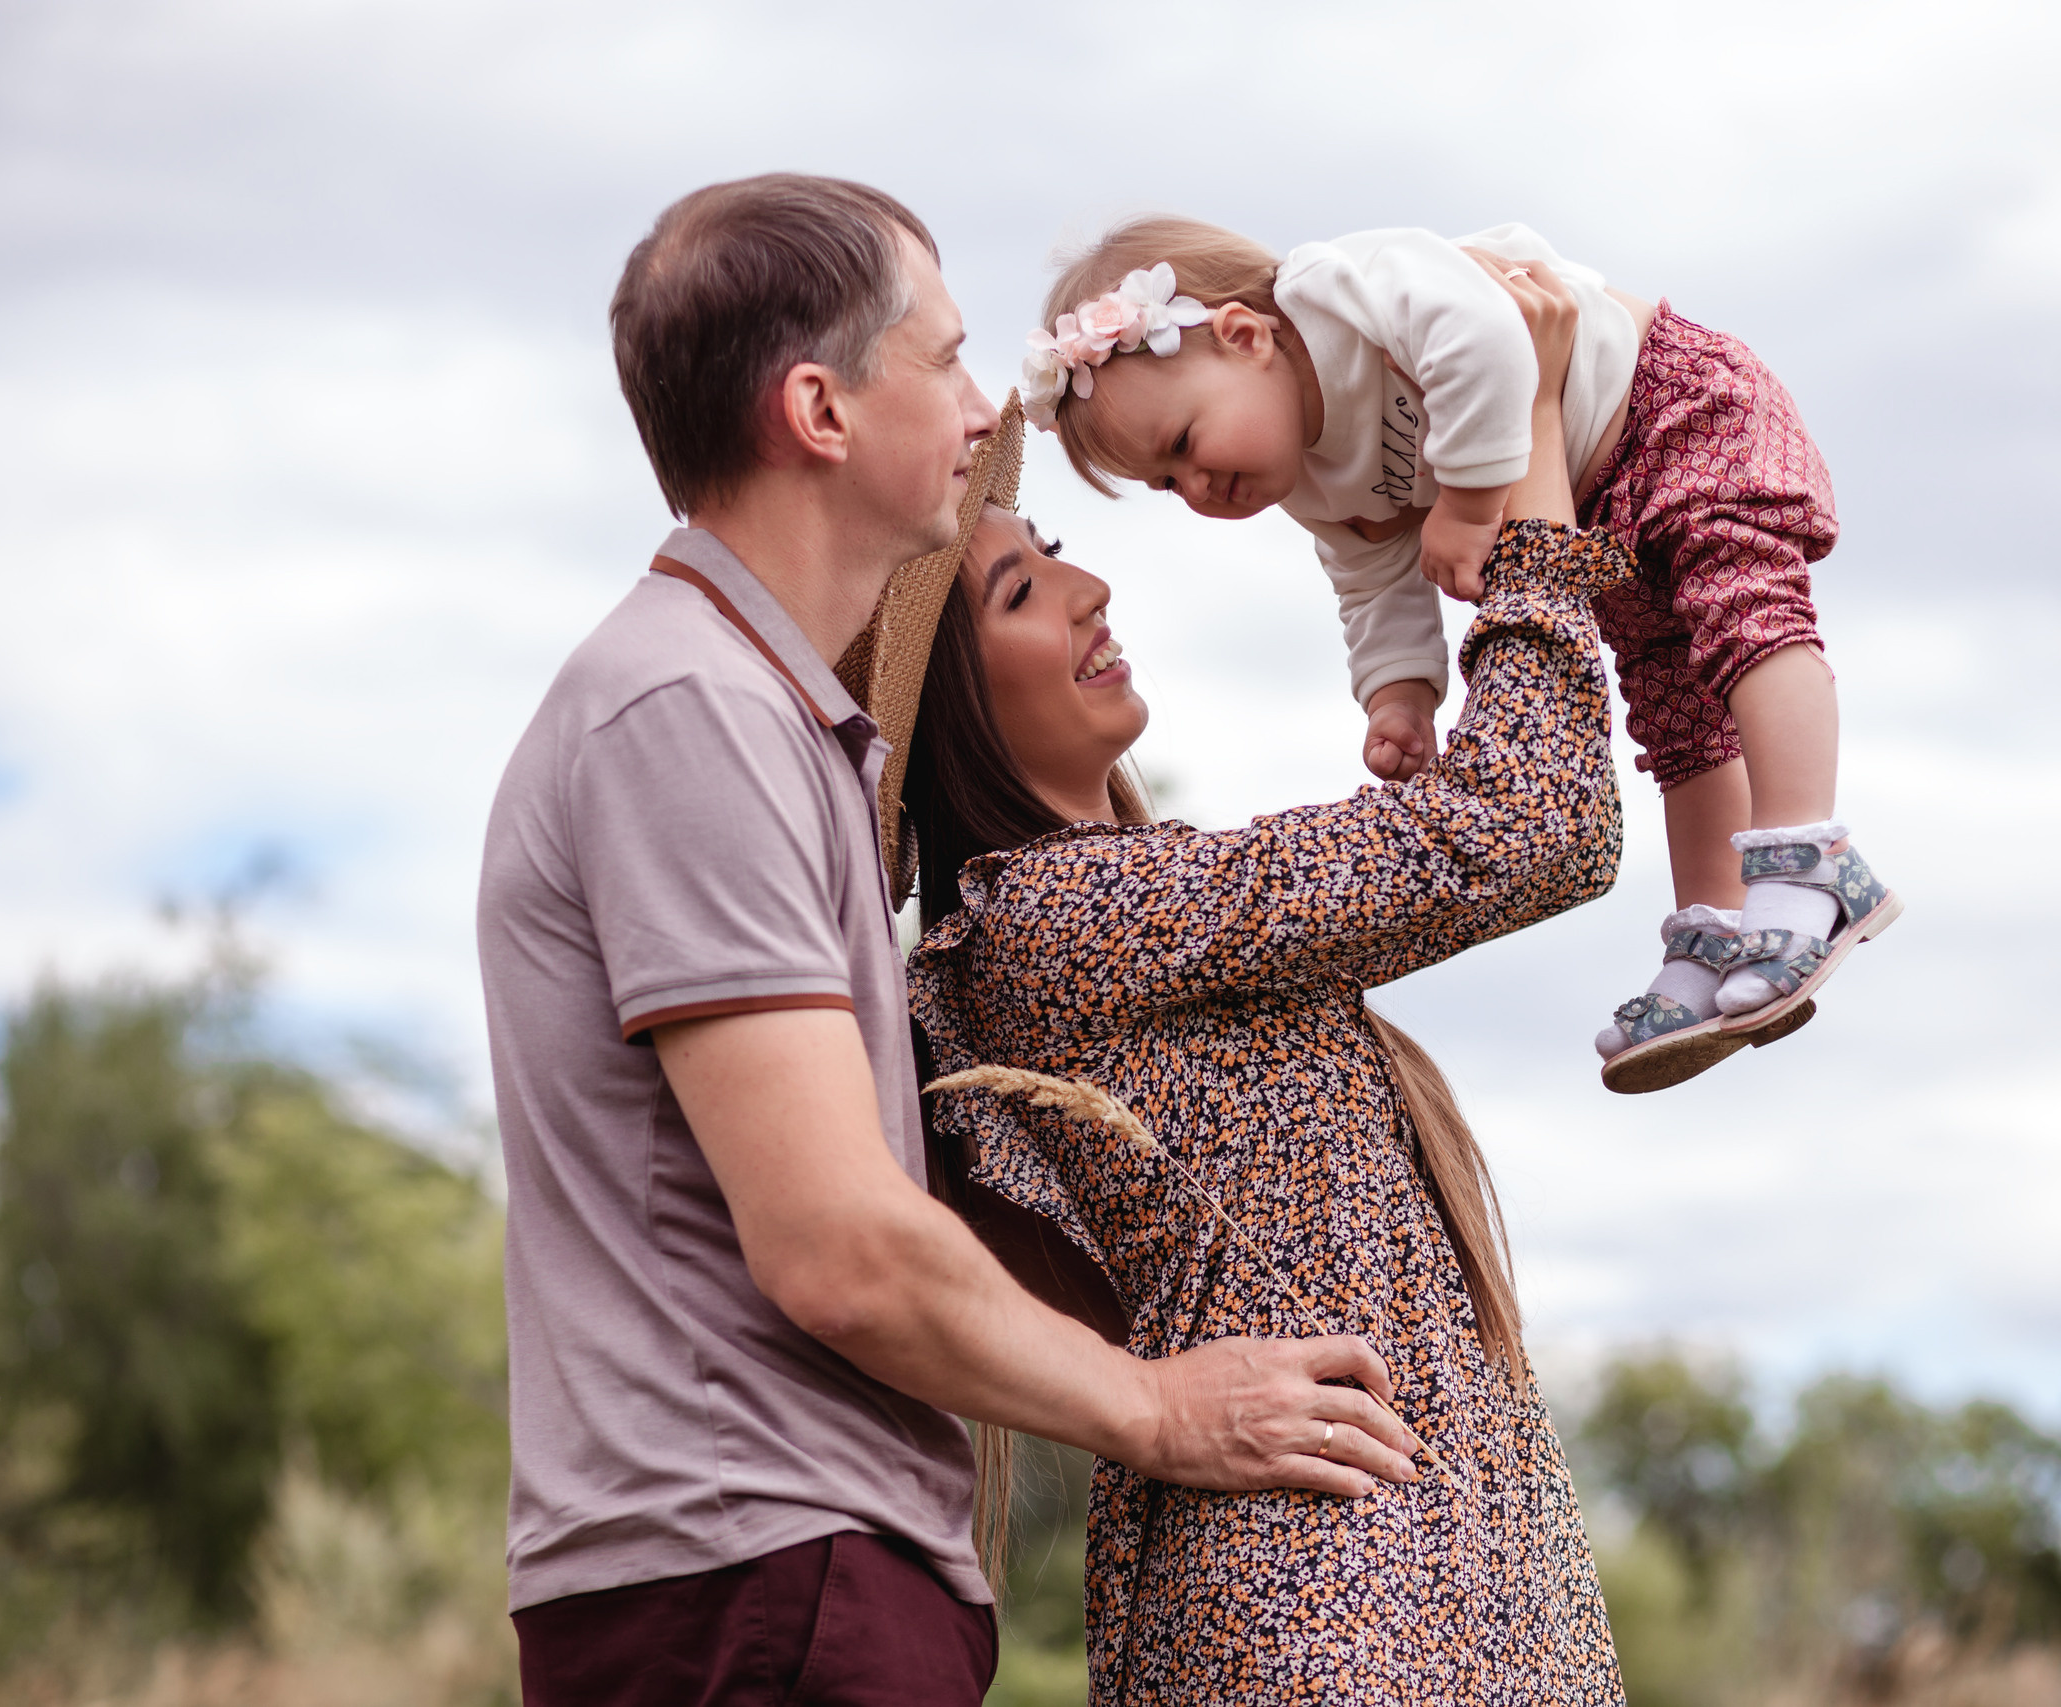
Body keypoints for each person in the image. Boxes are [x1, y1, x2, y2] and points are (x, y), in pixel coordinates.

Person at [475, 173, 1417, 1707]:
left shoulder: (762, 723)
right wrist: (1162, 1411)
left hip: (791, 1571)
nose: (986, 408)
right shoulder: (690, 712)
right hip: (757, 1573)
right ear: (820, 412)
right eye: (949, 358)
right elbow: (838, 1245)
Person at [894, 262, 1621, 1704]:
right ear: (958, 707)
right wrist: (1526, 463)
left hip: (1425, 1572)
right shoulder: (1052, 914)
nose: (1094, 583)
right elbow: (1534, 827)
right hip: (1320, 1598)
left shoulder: (1133, 899)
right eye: (1028, 587)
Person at [1017, 216, 1903, 1095]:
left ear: (1246, 337)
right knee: (1675, 714)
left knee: (1745, 618)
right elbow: (1369, 577)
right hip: (1592, 498)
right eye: (1166, 485)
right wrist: (1398, 695)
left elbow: (1492, 337)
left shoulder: (1347, 290)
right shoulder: (1315, 480)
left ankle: (1805, 862)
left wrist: (1474, 504)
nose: (1196, 489)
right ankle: (1714, 928)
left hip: (1667, 406)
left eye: (1182, 445)